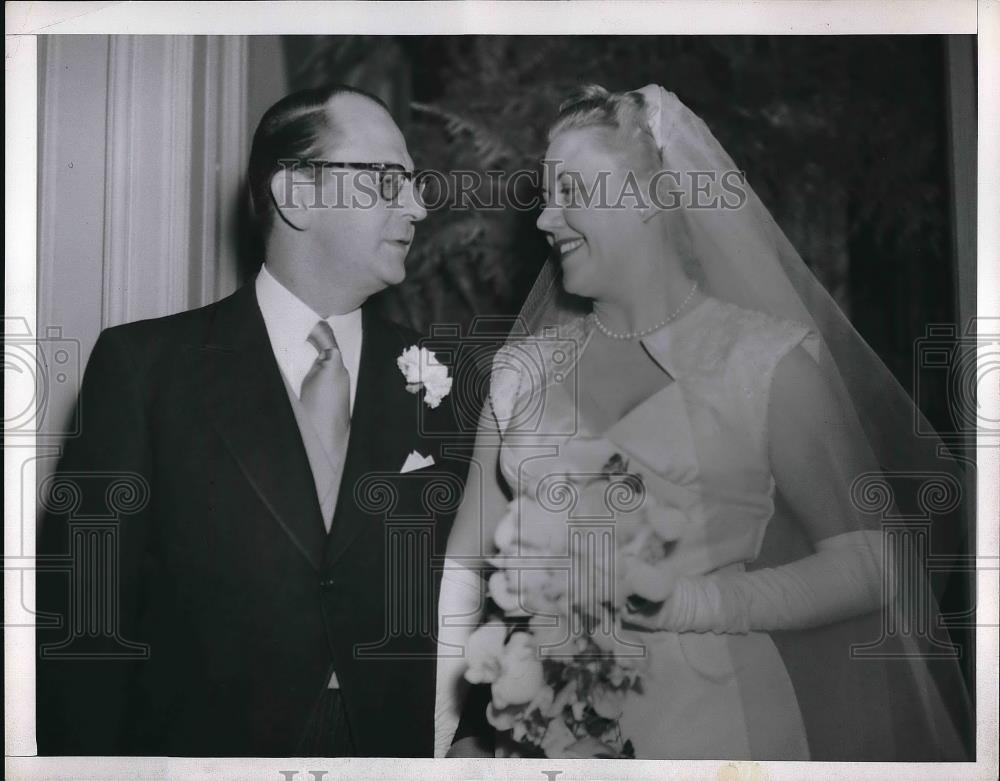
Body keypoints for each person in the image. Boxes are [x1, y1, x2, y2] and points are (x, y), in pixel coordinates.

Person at [438, 84, 973, 759]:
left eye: (570, 190)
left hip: (721, 729)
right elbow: (463, 567)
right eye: (546, 195)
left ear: (653, 196)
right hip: (541, 727)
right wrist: (448, 739)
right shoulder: (523, 369)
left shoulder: (763, 361)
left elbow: (874, 563)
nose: (546, 217)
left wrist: (693, 603)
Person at [36, 85, 467, 757]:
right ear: (295, 195)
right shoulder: (145, 368)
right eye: (388, 179)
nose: (417, 206)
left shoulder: (449, 382)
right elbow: (84, 627)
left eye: (412, 182)